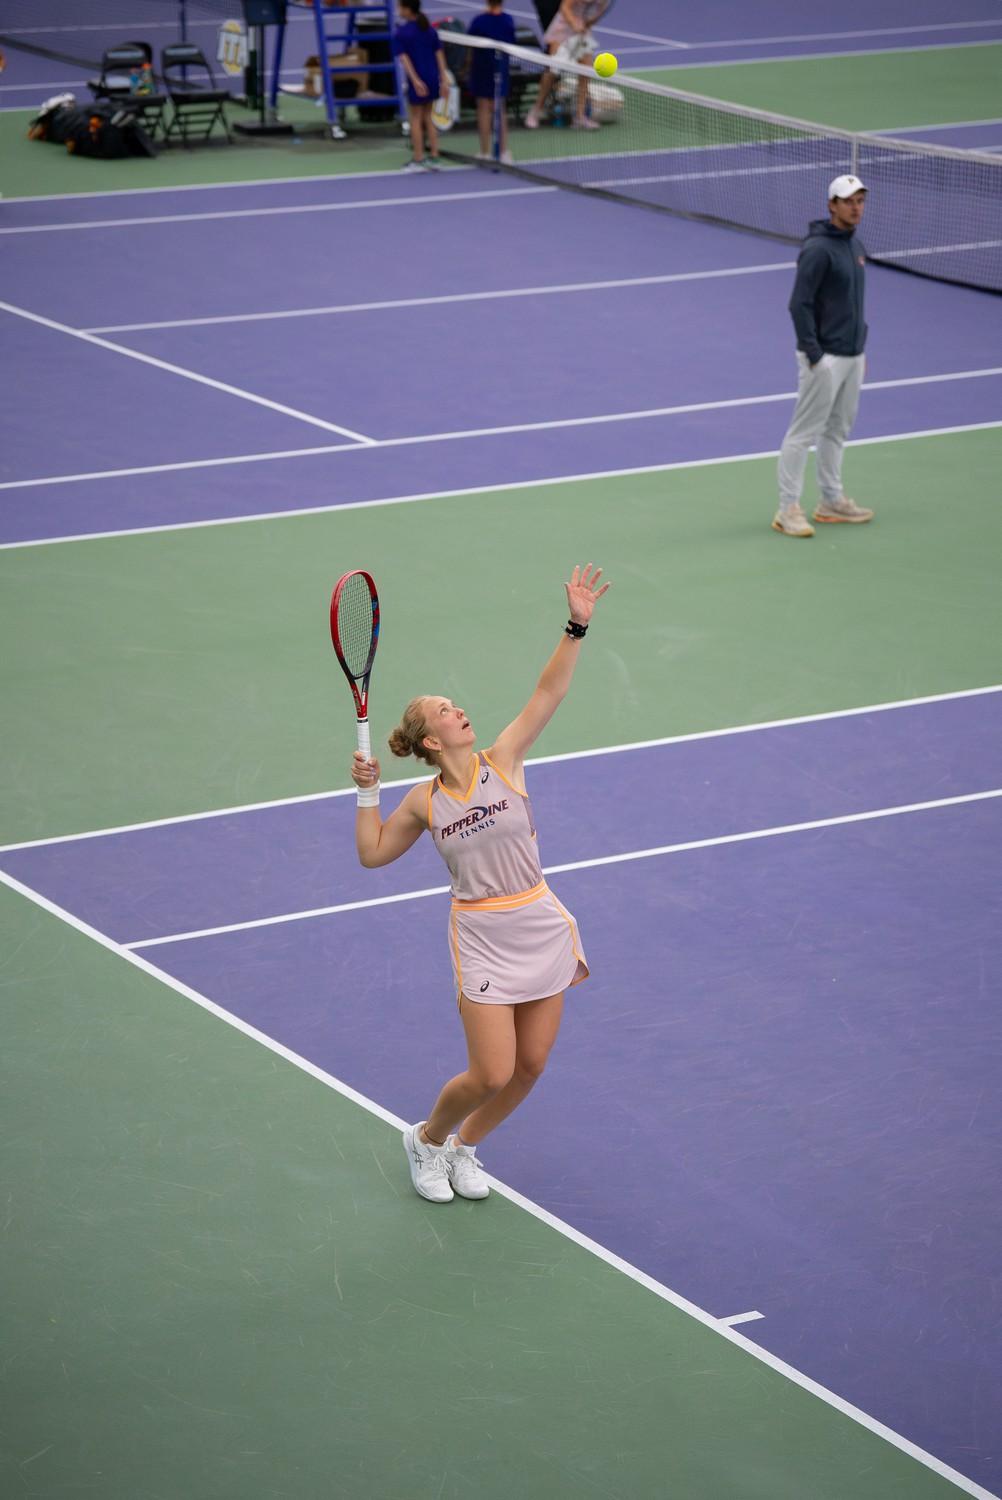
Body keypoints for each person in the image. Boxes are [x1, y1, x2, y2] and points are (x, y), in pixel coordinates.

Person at [350, 564, 610, 1204]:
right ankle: (428, 1140)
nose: (458, 710)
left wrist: (576, 625)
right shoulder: (422, 801)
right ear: (428, 740)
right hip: (484, 936)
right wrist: (367, 793)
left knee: (530, 1067)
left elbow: (547, 695)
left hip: (540, 922)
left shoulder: (505, 760)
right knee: (490, 1070)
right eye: (445, 710)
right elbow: (373, 855)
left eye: (455, 704)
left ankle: (466, 1148)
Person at [772, 174, 876, 537]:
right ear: (832, 205)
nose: (856, 207)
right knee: (803, 433)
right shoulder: (818, 249)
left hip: (852, 354)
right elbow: (798, 304)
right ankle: (788, 509)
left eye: (860, 201)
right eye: (848, 201)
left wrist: (858, 346)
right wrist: (814, 354)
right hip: (824, 358)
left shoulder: (855, 246)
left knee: (837, 430)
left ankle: (831, 500)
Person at [525, 0, 610, 131]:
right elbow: (565, 7)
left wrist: (586, 24)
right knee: (552, 71)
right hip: (563, 27)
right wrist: (574, 24)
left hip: (581, 32)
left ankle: (580, 116)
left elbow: (595, 15)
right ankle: (536, 110)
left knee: (586, 71)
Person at [395, 0, 451, 170]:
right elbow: (439, 54)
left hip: (418, 79)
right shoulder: (429, 29)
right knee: (429, 117)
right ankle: (434, 157)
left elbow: (405, 60)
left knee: (416, 119)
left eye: (400, 7)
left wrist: (415, 81)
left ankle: (418, 159)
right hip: (433, 78)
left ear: (407, 9)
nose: (398, 10)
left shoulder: (401, 33)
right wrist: (444, 78)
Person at [469, 0, 517, 164]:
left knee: (483, 108)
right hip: (500, 69)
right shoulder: (508, 21)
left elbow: (470, 47)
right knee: (499, 108)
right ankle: (503, 153)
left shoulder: (479, 21)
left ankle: (485, 152)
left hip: (482, 69)